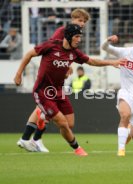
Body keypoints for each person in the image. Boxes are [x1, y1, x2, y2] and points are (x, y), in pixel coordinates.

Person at [14, 24, 125, 156]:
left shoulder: (74, 53)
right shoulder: (50, 45)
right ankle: (77, 149)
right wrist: (18, 73)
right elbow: (29, 54)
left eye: (80, 37)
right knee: (61, 122)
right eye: (77, 36)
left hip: (59, 91)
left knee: (69, 125)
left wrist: (112, 62)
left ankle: (43, 116)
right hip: (42, 91)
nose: (79, 39)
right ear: (68, 36)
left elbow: (92, 61)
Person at [16, 9, 90, 153]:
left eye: (84, 22)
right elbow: (54, 49)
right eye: (80, 20)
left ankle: (28, 139)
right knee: (45, 108)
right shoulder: (62, 31)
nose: (82, 24)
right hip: (50, 75)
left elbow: (68, 54)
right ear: (72, 18)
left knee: (43, 109)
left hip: (57, 80)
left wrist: (68, 65)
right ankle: (34, 139)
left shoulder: (76, 35)